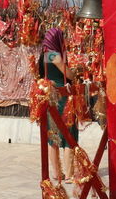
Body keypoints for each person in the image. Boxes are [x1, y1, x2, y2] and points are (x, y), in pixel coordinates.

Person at [40, 28, 77, 185]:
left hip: (51, 96)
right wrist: (74, 73)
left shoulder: (43, 54)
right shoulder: (53, 54)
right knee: (69, 134)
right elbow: (67, 74)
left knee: (53, 136)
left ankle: (57, 173)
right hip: (62, 97)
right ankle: (69, 174)